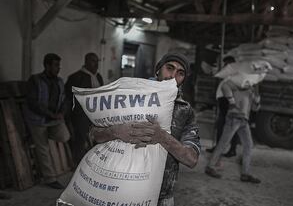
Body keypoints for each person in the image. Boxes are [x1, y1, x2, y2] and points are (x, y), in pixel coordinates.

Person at [89, 52, 200, 206]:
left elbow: (191, 159)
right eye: (169, 68)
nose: (173, 76)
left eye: (180, 73)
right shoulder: (129, 96)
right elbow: (94, 135)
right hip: (118, 187)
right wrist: (116, 131)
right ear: (158, 70)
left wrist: (162, 137)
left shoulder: (185, 111)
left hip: (161, 197)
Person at [24, 53, 70, 189]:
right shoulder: (35, 80)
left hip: (53, 120)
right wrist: (50, 114)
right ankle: (50, 179)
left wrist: (61, 113)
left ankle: (35, 136)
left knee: (64, 136)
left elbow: (65, 100)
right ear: (47, 65)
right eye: (56, 65)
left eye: (59, 65)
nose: (58, 68)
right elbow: (32, 103)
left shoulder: (60, 81)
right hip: (37, 119)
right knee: (43, 148)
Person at [205, 77, 261, 184]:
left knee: (248, 145)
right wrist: (231, 100)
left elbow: (254, 109)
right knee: (223, 143)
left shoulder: (251, 91)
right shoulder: (236, 85)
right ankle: (210, 166)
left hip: (244, 120)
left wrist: (257, 100)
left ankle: (245, 173)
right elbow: (225, 85)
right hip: (234, 118)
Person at [65, 52, 104, 164]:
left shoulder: (98, 77)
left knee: (97, 138)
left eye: (97, 62)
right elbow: (69, 98)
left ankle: (93, 162)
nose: (95, 64)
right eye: (93, 61)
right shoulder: (75, 77)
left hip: (96, 114)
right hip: (81, 114)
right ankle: (78, 163)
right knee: (80, 139)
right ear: (86, 62)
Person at [206, 56, 239, 158]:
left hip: (228, 102)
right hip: (223, 101)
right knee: (220, 125)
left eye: (227, 63)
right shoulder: (227, 72)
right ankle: (218, 147)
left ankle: (232, 149)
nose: (225, 65)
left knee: (231, 126)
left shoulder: (234, 73)